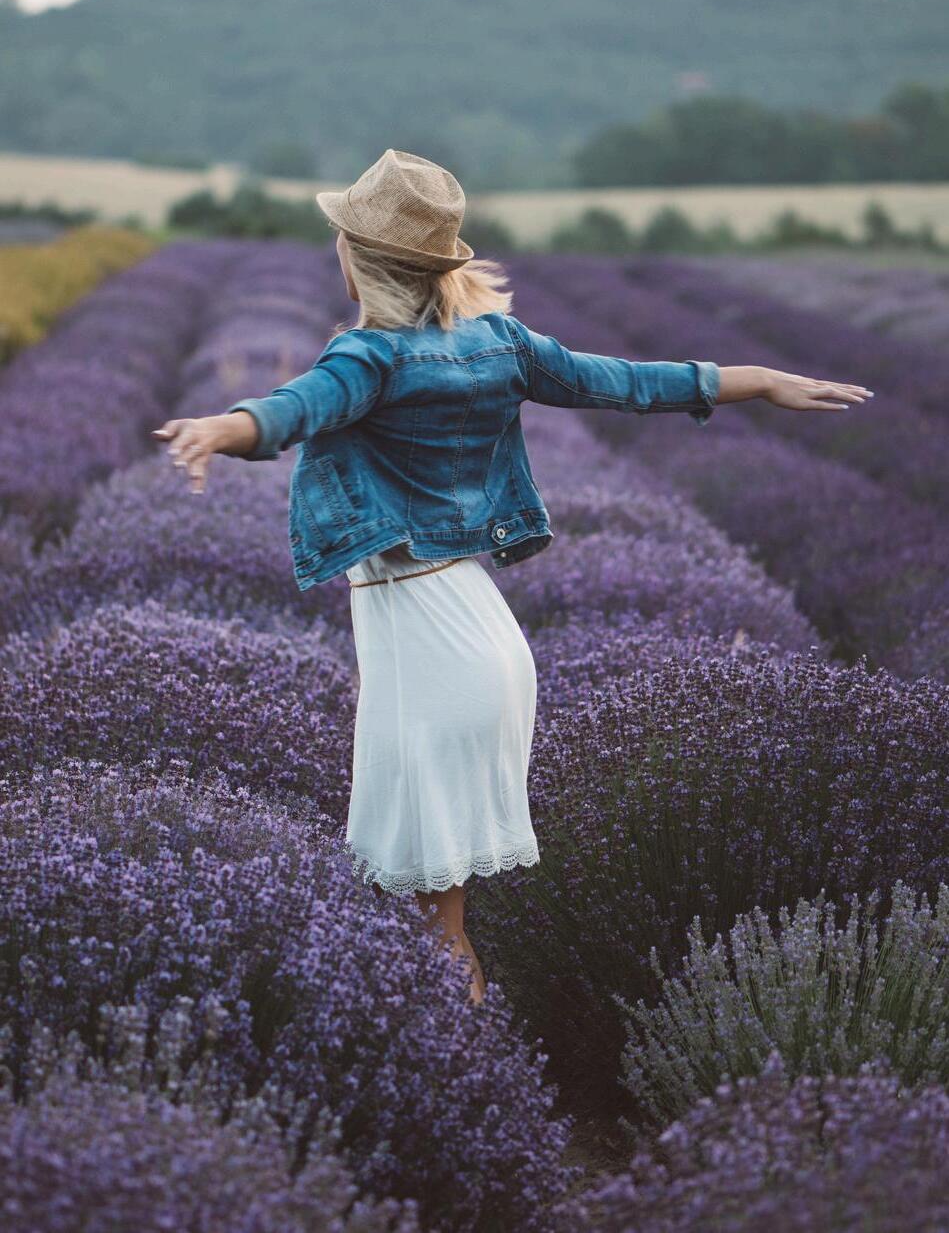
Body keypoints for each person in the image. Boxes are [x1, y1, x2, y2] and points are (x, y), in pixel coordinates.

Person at [153, 149, 874, 1006]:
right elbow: (623, 383)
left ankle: (450, 1064)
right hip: (478, 636)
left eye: (340, 237)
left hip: (429, 646)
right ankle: (445, 1058)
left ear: (359, 258)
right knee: (426, 917)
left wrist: (222, 426)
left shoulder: (368, 357)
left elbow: (296, 407)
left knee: (432, 924)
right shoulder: (502, 344)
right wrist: (756, 380)